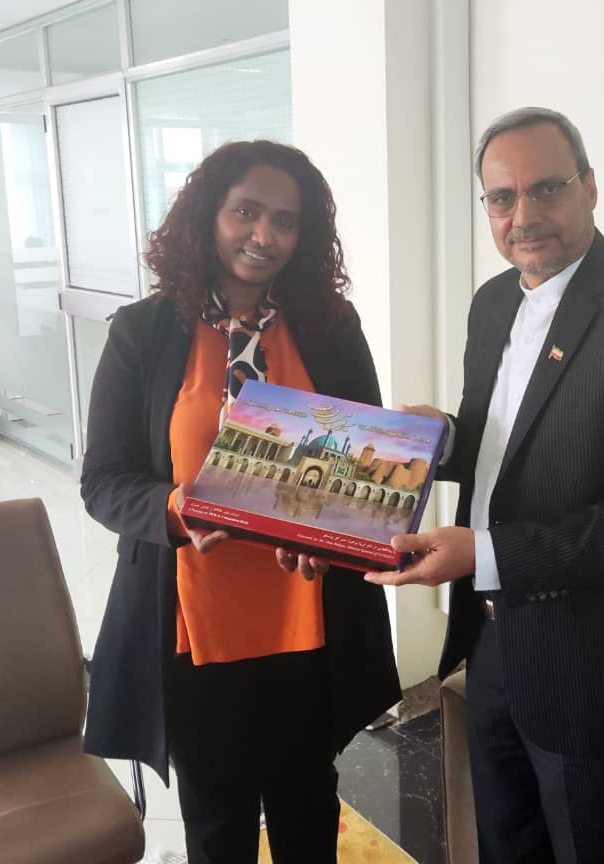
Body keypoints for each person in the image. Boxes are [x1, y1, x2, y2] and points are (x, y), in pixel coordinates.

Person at [365, 108, 604, 862]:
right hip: (493, 644)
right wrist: (443, 440)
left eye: (547, 188)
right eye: (502, 198)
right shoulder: (493, 301)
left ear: (589, 187)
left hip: (599, 667)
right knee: (505, 846)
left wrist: (482, 554)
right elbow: (512, 441)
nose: (523, 215)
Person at [81, 140, 401, 864]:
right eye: (246, 212)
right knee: (218, 823)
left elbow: (366, 471)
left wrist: (340, 531)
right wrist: (178, 508)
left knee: (308, 806)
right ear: (207, 217)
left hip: (308, 613)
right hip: (195, 623)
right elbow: (103, 480)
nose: (264, 235)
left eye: (285, 221)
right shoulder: (144, 332)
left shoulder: (330, 327)